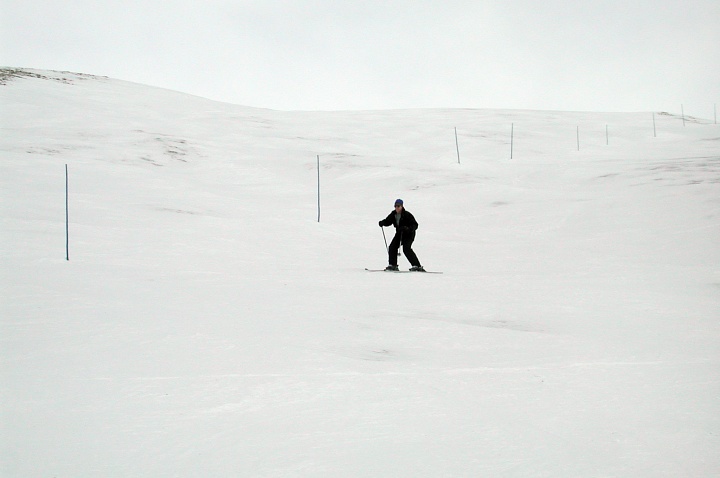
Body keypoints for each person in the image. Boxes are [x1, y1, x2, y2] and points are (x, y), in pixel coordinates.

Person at [378, 199, 425, 271]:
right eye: (395, 206)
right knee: (392, 247)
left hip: (409, 234)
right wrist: (383, 222)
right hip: (400, 233)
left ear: (402, 206)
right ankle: (393, 265)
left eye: (398, 206)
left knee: (406, 248)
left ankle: (417, 266)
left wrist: (407, 228)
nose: (397, 208)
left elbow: (415, 225)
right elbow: (388, 221)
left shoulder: (407, 215)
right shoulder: (393, 214)